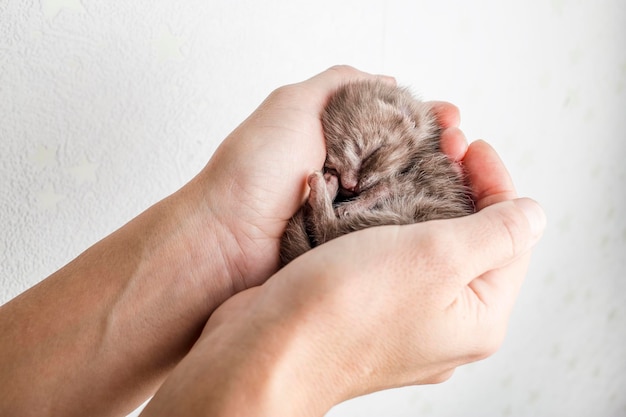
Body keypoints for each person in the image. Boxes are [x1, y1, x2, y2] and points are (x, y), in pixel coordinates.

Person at [0, 66, 545, 417]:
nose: (351, 182)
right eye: (343, 162)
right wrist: (314, 345)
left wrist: (227, 244)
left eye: (364, 164)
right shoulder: (358, 152)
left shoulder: (403, 152)